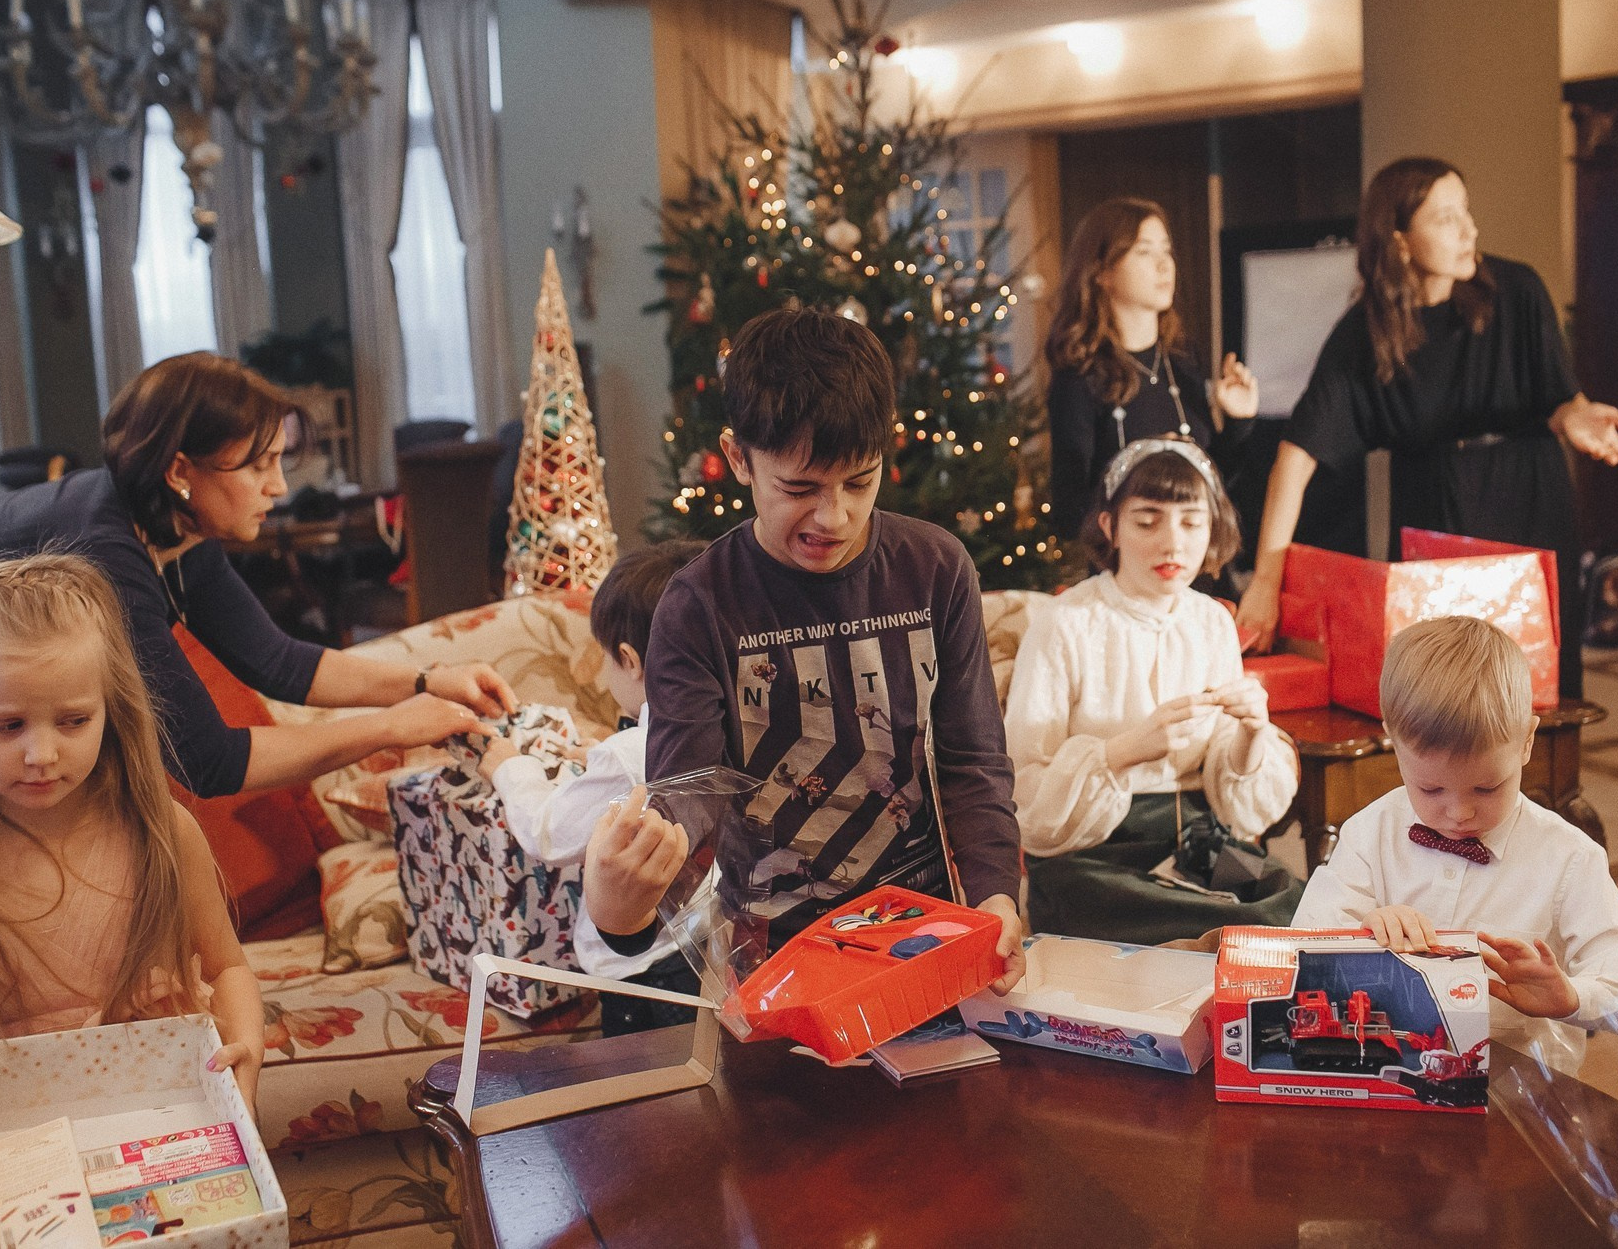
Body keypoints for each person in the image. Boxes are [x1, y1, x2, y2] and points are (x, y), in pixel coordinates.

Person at [0, 352, 517, 845]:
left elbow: (281, 662)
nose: (279, 487)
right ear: (181, 470)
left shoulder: (171, 525)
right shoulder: (102, 554)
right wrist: (395, 726)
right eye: (258, 465)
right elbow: (208, 760)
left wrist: (432, 678)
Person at [580, 308, 1025, 992]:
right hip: (772, 964)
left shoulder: (937, 568)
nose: (835, 516)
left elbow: (973, 761)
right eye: (799, 488)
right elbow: (689, 794)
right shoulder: (698, 604)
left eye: (860, 480)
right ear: (738, 459)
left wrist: (995, 895)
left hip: (928, 938)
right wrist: (624, 892)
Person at [0, 556, 266, 1226]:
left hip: (160, 1143)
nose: (43, 753)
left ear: (112, 705)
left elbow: (228, 966)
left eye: (74, 720)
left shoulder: (162, 833)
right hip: (11, 1163)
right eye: (8, 725)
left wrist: (245, 1057)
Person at [1235, 158, 1618, 699]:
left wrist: (1577, 416)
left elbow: (1560, 399)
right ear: (1399, 241)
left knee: (1542, 684)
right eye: (1446, 218)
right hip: (1433, 511)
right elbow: (1294, 460)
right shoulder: (1364, 335)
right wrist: (1264, 581)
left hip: (1528, 498)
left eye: (1466, 212)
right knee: (1448, 691)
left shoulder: (1517, 291)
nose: (1469, 231)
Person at [1293, 616, 1618, 1058]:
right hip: (1390, 1062)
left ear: (1526, 742)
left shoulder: (1567, 856)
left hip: (1522, 1086)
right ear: (1393, 741)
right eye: (1431, 789)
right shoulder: (1371, 833)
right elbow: (1303, 945)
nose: (1460, 813)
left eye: (1487, 788)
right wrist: (1364, 934)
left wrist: (1572, 997)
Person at [1005, 439, 1302, 945]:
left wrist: (1252, 734)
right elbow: (1026, 798)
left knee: (1295, 908)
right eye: (1147, 521)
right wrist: (1123, 752)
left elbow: (1235, 806)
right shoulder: (1065, 623)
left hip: (1197, 844)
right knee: (1213, 925)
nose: (1173, 544)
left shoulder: (1210, 621)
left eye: (1191, 523)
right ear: (1110, 527)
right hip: (1090, 852)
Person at [478, 538, 708, 1036]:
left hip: (644, 971)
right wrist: (600, 760)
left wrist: (507, 768)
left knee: (644, 1103)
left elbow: (548, 833)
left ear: (631, 659)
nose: (602, 680)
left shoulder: (628, 756)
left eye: (605, 658)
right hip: (711, 955)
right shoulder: (727, 729)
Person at [1045, 197, 1259, 543]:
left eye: (1167, 251)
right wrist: (1146, 463)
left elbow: (1219, 489)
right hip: (1126, 582)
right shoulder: (1080, 376)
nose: (1165, 265)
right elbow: (1070, 514)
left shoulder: (1183, 358)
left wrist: (1239, 421)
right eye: (1145, 252)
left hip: (1198, 574)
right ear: (1102, 271)